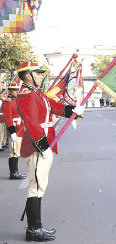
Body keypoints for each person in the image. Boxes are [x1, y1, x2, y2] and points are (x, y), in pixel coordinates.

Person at [16, 62, 85, 242]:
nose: (41, 76)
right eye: (38, 73)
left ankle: (36, 226)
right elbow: (32, 123)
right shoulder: (26, 94)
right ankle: (33, 230)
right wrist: (43, 146)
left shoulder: (37, 93)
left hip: (44, 144)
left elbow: (54, 106)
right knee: (36, 186)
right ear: (29, 75)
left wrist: (72, 110)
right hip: (37, 146)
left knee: (40, 185)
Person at [2, 81, 27, 180]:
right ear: (10, 91)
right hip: (14, 130)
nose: (17, 92)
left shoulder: (18, 101)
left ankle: (16, 172)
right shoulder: (8, 102)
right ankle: (13, 173)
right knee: (13, 152)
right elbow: (8, 118)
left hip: (20, 130)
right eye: (15, 90)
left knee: (17, 151)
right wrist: (12, 131)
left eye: (18, 90)